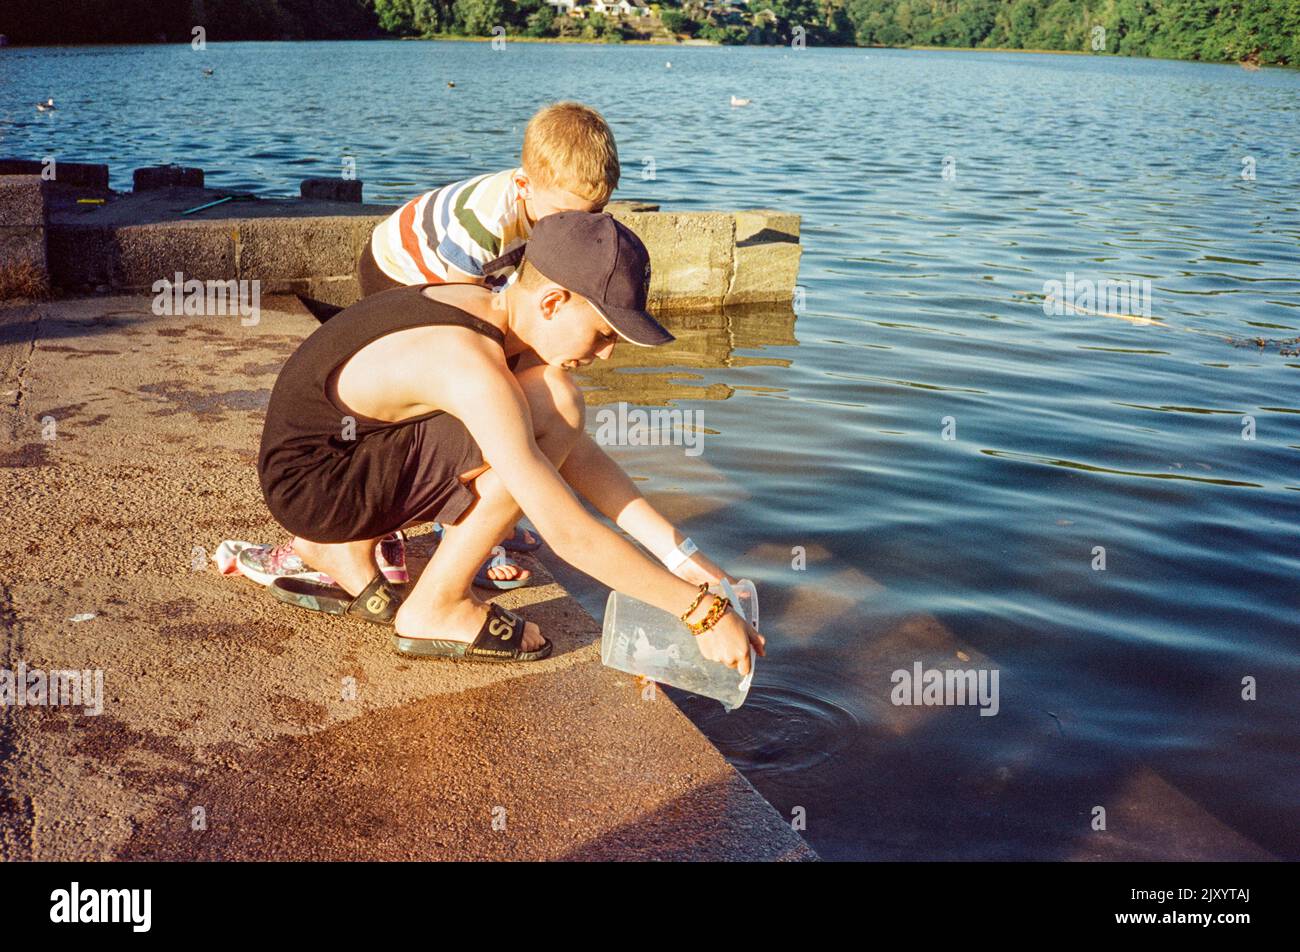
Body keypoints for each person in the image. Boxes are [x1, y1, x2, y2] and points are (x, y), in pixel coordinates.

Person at [257, 211, 765, 670]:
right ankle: (437, 606)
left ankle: (342, 549)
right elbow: (567, 532)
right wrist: (701, 612)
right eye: (604, 333)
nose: (607, 355)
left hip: (329, 465)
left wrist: (685, 562)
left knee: (552, 408)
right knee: (548, 415)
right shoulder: (470, 363)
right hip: (316, 492)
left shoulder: (488, 308)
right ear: (552, 301)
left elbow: (580, 457)